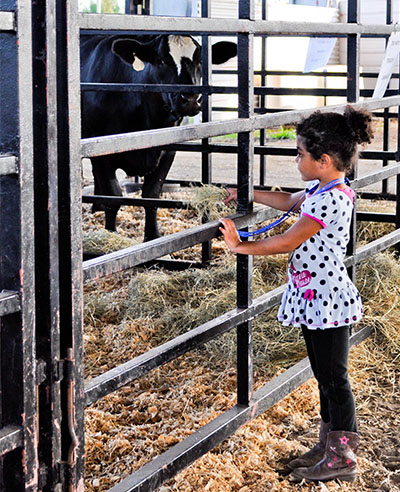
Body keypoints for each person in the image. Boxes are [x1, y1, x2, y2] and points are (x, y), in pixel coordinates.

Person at [219, 105, 374, 483]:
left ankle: (342, 457)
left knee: (335, 378)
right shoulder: (322, 187)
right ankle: (329, 446)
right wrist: (246, 193)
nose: (296, 160)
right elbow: (289, 202)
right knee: (324, 376)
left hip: (327, 300)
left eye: (300, 154)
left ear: (323, 160)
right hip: (315, 298)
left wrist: (240, 246)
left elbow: (288, 241)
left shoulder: (332, 199)